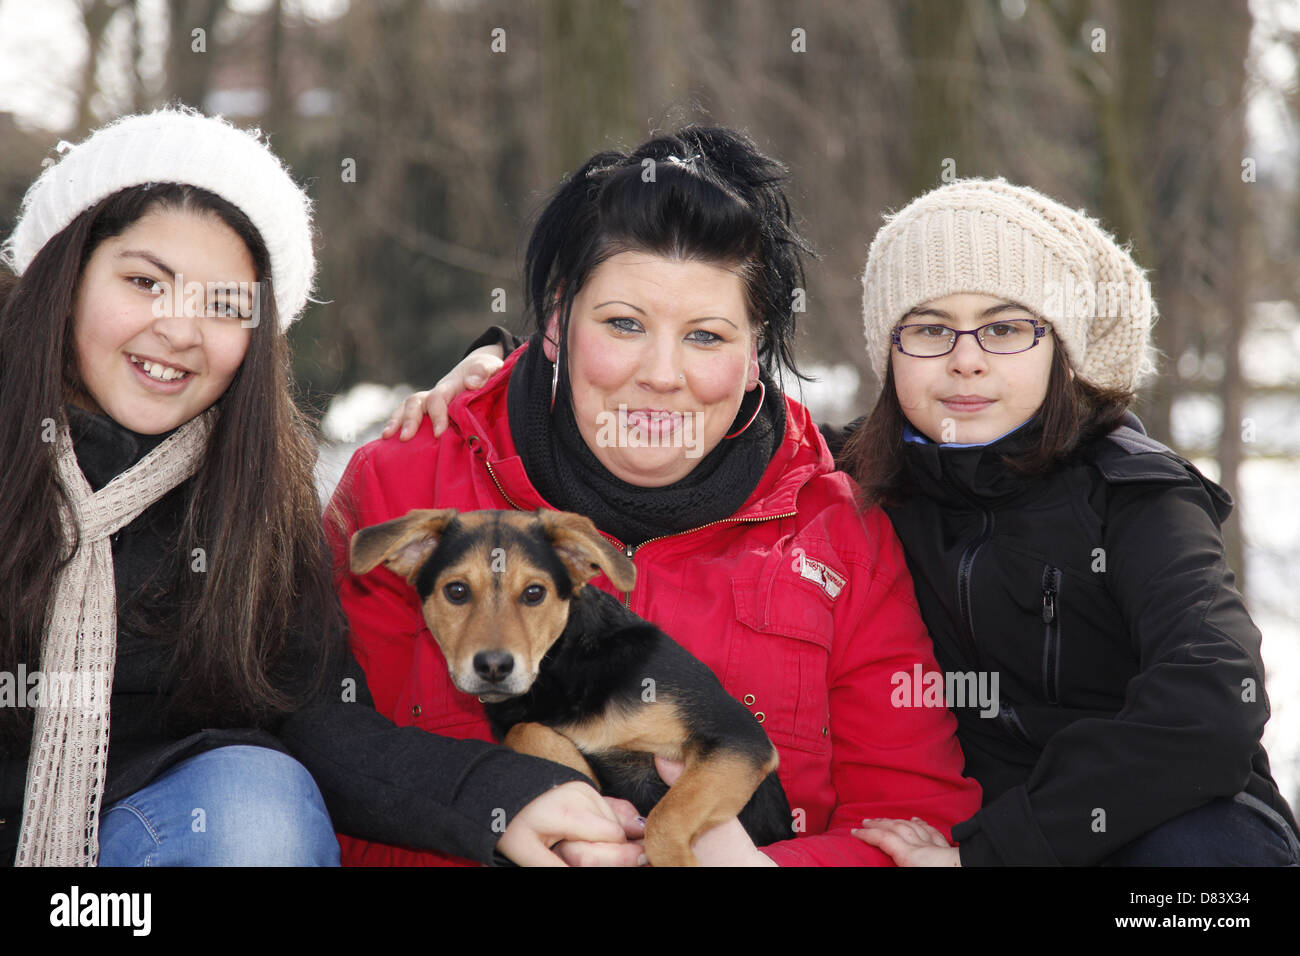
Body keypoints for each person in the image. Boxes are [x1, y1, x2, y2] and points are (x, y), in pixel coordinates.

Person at [419, 177, 1299, 867]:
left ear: (1060, 345)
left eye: (1006, 328)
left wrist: (1004, 850)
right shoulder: (863, 478)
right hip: (966, 834)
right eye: (927, 329)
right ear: (888, 349)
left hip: (1155, 833)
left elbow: (1214, 704)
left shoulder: (1139, 497)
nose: (964, 361)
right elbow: (728, 432)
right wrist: (497, 371)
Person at [330, 126, 983, 866]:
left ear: (751, 354)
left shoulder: (841, 535)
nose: (662, 374)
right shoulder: (405, 486)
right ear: (556, 321)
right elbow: (328, 762)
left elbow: (914, 823)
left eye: (706, 336)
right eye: (623, 324)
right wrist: (491, 808)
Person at [0, 108, 631, 867]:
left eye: (226, 305)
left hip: (152, 842)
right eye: (144, 282)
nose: (179, 330)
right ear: (65, 277)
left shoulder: (253, 498)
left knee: (257, 805)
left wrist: (502, 797)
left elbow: (316, 718)